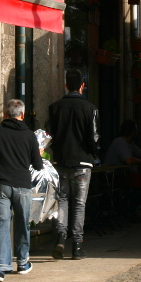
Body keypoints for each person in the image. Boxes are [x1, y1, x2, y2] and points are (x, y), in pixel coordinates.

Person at [0, 98, 43, 281]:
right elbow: (38, 166)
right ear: (22, 115)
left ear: (5, 114)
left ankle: (1, 268)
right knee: (22, 224)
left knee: (1, 225)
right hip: (23, 185)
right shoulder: (29, 135)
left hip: (1, 185)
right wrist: (38, 153)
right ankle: (22, 263)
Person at [47, 69, 100, 260]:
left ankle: (60, 238)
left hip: (61, 161)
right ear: (82, 86)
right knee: (79, 203)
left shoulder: (55, 107)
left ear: (66, 85)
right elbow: (93, 138)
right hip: (82, 162)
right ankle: (77, 245)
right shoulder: (90, 109)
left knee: (62, 200)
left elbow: (49, 134)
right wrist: (95, 155)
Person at [104, 119, 141, 220]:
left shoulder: (129, 144)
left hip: (122, 174)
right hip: (114, 175)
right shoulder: (120, 142)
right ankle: (128, 210)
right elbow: (128, 160)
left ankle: (129, 209)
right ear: (133, 132)